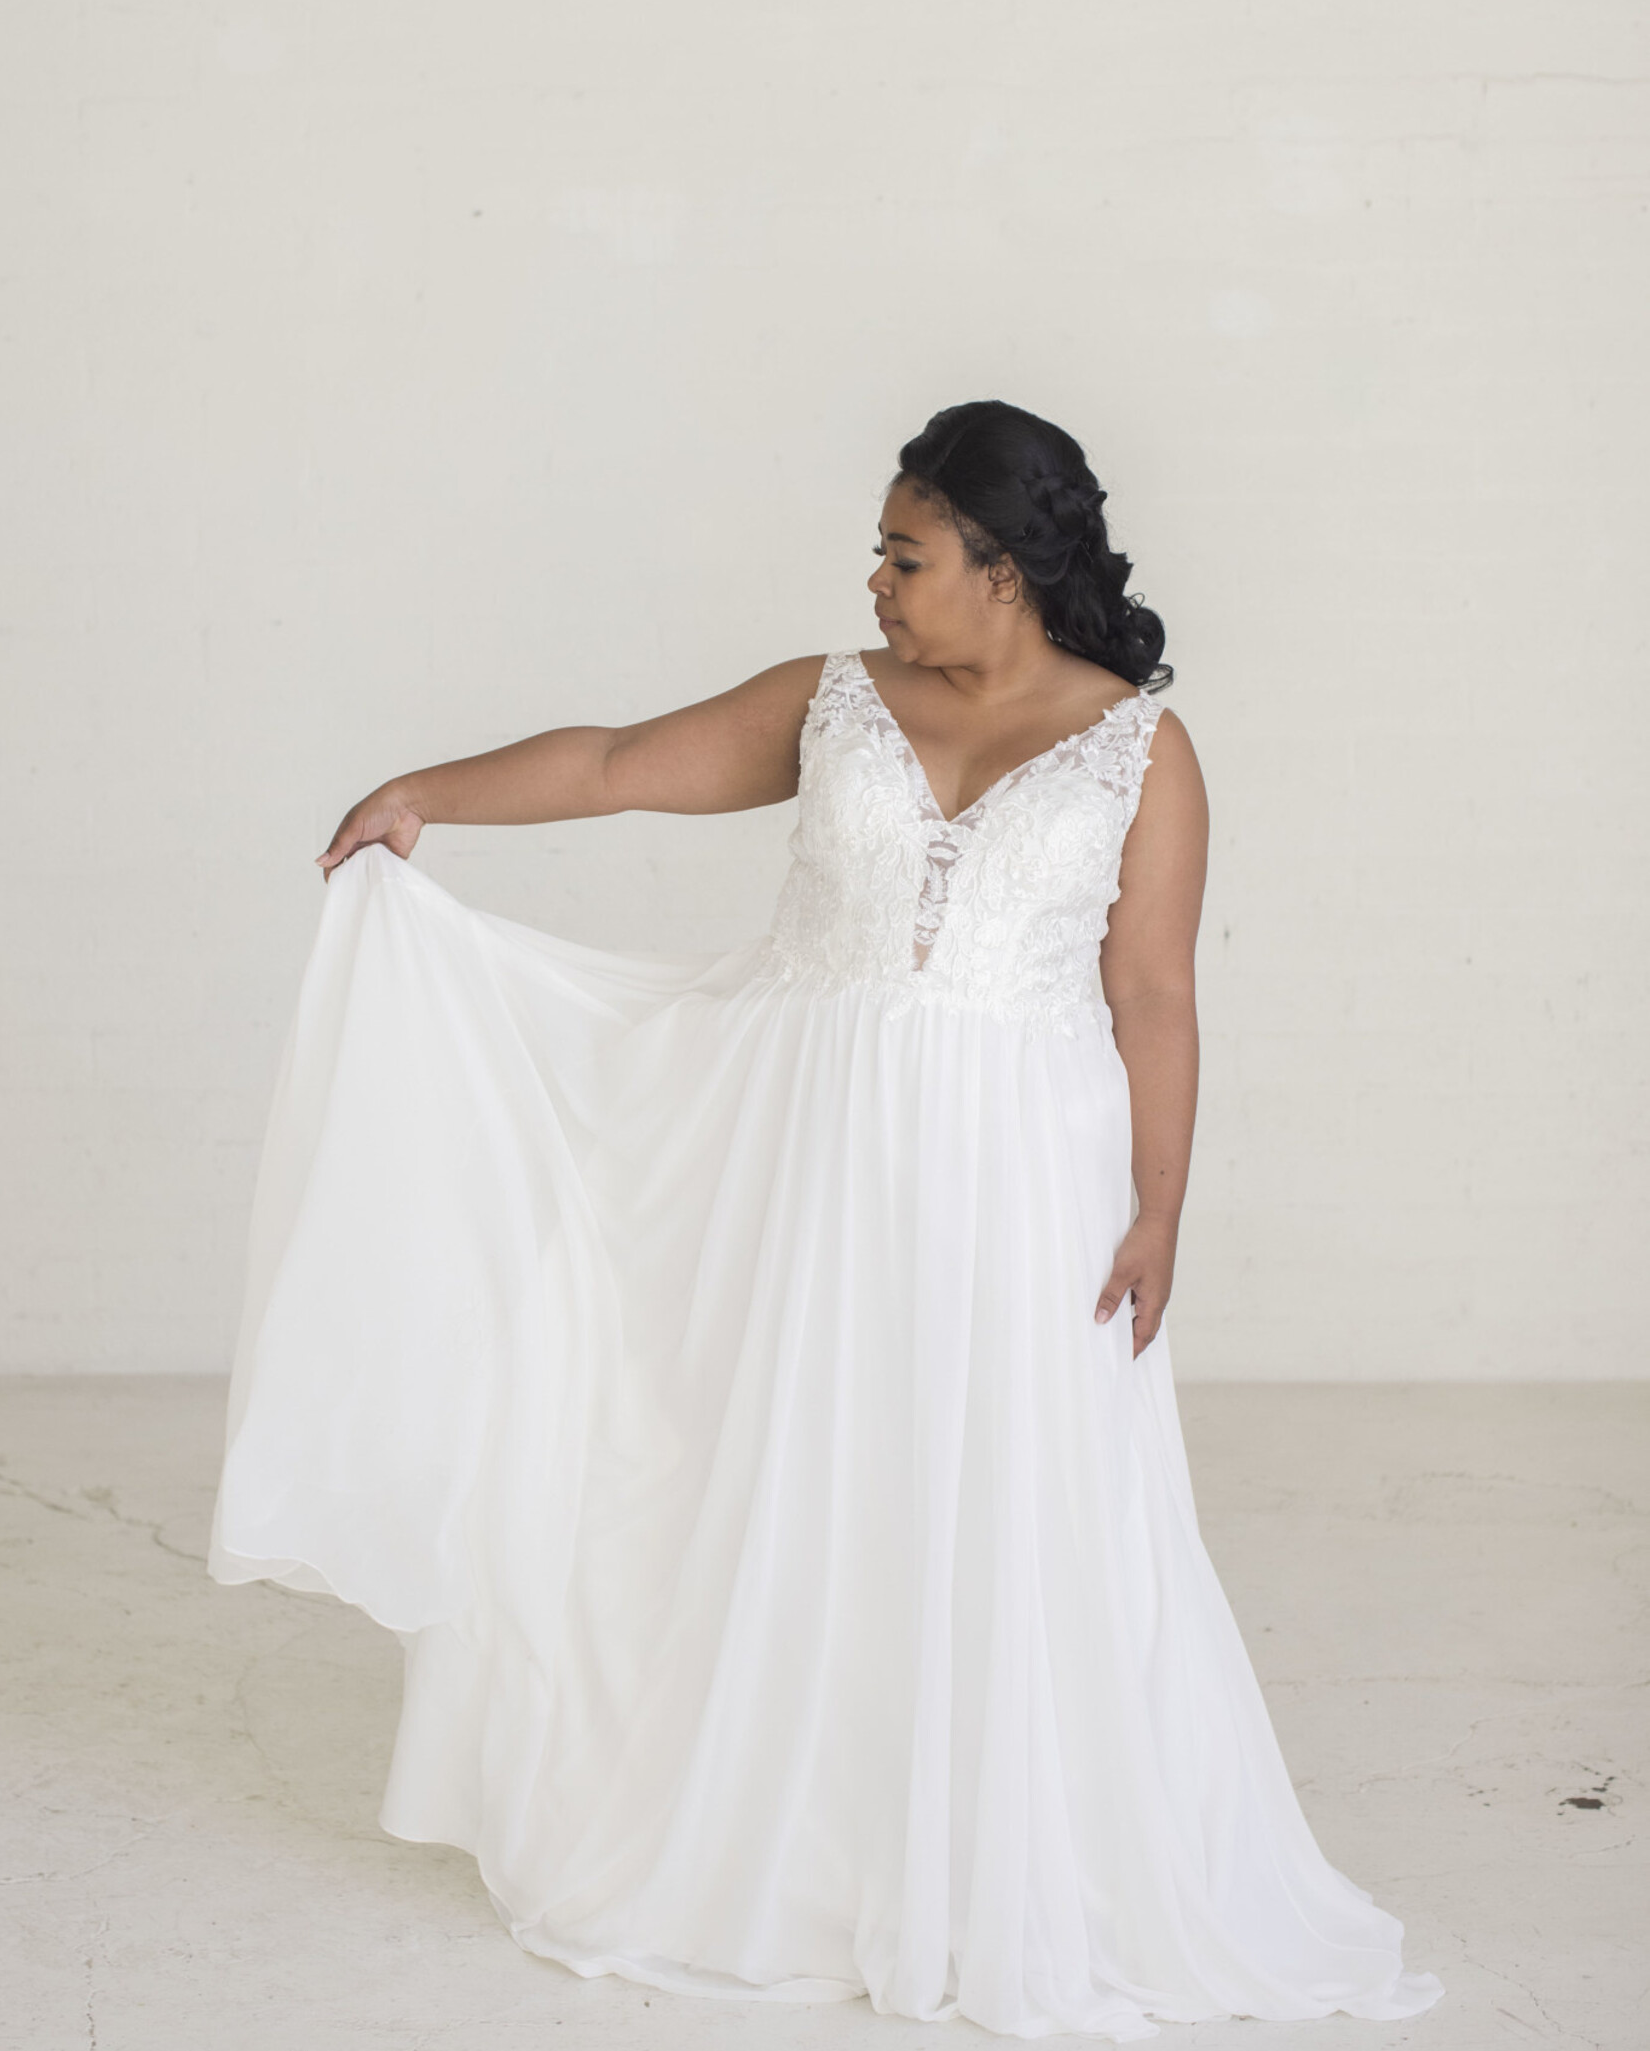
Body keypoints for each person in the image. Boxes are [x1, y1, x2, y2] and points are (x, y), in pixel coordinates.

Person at [209, 399, 1444, 2040]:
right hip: (806, 1154)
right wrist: (422, 794)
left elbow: (1153, 992)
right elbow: (615, 763)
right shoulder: (833, 701)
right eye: (881, 550)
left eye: (905, 554)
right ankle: (790, 1844)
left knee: (998, 1493)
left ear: (1003, 570)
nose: (875, 579)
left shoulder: (1142, 751)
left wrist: (1160, 1206)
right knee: (796, 1471)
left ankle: (994, 1858)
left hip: (1025, 1180)